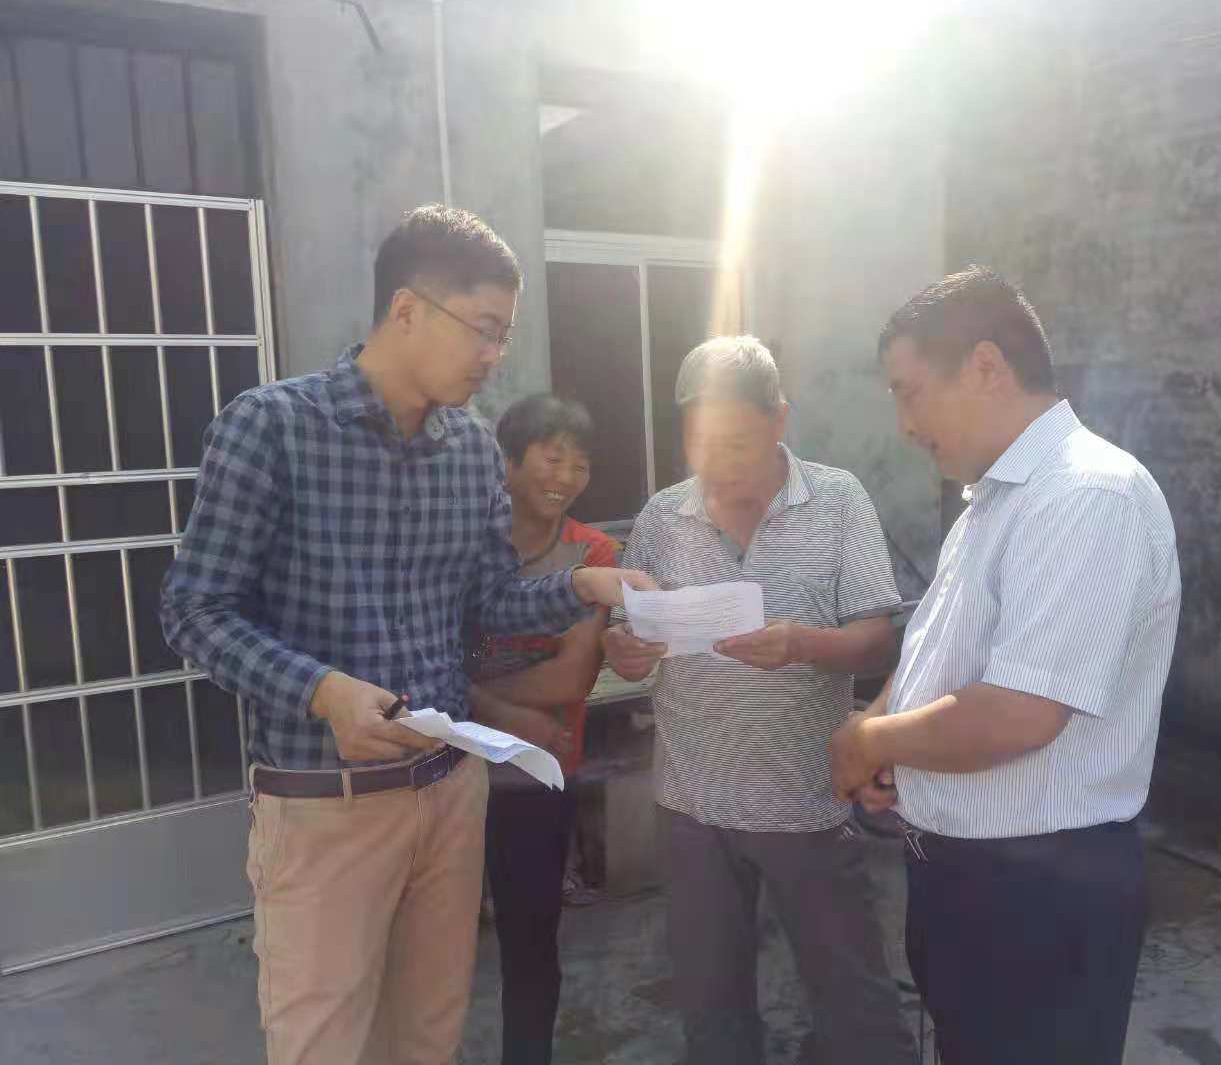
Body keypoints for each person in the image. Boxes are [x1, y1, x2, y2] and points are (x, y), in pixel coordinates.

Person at [159, 206, 649, 1065]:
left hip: (450, 791)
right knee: (324, 1045)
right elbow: (195, 610)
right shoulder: (273, 427)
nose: (494, 355)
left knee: (428, 1037)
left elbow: (487, 603)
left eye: (504, 334)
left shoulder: (470, 452)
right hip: (326, 803)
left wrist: (581, 586)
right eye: (484, 329)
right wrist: (323, 692)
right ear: (407, 309)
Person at [829, 267, 1181, 1065]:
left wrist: (870, 742)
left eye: (911, 393)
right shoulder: (994, 502)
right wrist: (886, 727)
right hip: (974, 882)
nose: (904, 425)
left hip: (1041, 898)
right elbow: (936, 647)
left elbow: (1020, 712)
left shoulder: (1085, 496)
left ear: (985, 366)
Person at [604, 336, 915, 1065]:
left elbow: (877, 638)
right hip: (692, 803)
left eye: (737, 444)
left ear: (779, 419)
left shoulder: (836, 500)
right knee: (710, 1003)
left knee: (853, 996)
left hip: (806, 799)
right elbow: (625, 632)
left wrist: (805, 644)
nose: (718, 465)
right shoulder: (661, 516)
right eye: (701, 445)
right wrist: (624, 650)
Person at [464, 393, 615, 1065]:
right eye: (552, 459)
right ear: (509, 461)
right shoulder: (464, 542)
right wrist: (507, 714)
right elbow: (424, 661)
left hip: (536, 778)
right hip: (447, 773)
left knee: (530, 943)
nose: (567, 477)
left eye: (580, 465)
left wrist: (462, 695)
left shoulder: (591, 552)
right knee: (434, 944)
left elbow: (569, 681)